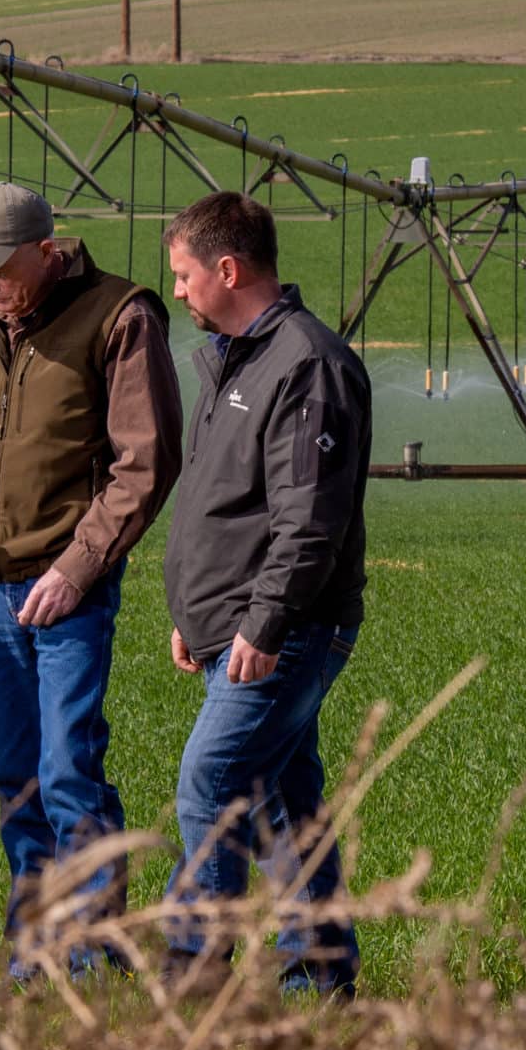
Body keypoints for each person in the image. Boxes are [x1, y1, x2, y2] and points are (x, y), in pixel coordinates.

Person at [0, 182, 182, 975]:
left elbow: (147, 463)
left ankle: (93, 952)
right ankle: (35, 948)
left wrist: (80, 566)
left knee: (68, 771)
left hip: (69, 588)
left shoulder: (120, 317)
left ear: (44, 249)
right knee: (14, 775)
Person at [159, 191, 373, 996]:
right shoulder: (236, 356)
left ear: (227, 268)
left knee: (209, 785)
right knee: (286, 805)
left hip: (286, 629)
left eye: (183, 276)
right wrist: (196, 615)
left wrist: (264, 624)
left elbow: (308, 519)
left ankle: (195, 978)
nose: (178, 292)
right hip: (234, 626)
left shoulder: (305, 363)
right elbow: (225, 501)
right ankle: (317, 986)